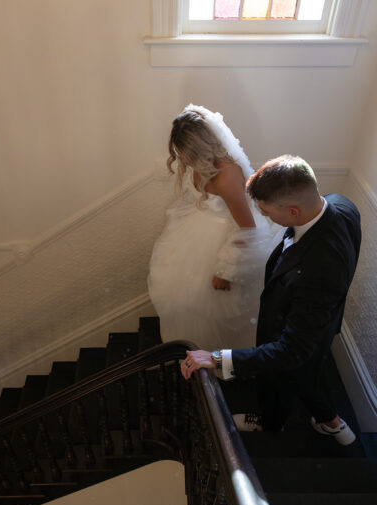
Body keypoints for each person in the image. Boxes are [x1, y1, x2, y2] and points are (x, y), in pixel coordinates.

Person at [181, 155, 361, 446]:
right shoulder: (340, 204)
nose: (263, 217)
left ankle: (272, 423)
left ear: (292, 211)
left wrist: (216, 359)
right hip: (321, 320)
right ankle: (335, 427)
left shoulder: (319, 271)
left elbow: (289, 350)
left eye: (265, 211)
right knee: (307, 376)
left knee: (287, 374)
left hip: (297, 329)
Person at [148, 105, 279, 351]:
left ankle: (220, 361)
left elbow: (249, 229)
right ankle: (195, 354)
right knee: (186, 300)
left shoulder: (227, 176)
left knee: (215, 309)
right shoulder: (202, 165)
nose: (183, 160)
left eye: (186, 154)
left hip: (226, 243)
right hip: (197, 234)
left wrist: (226, 271)